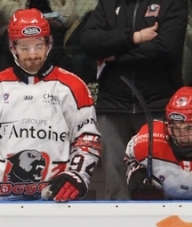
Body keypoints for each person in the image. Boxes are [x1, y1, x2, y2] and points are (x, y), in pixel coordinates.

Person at [0, 8, 101, 202]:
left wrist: (77, 175)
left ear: (49, 44)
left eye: (38, 46)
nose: (32, 54)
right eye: (25, 48)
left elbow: (87, 140)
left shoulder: (74, 87)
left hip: (56, 198)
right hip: (0, 200)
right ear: (13, 47)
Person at [80, 0, 187, 200]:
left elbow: (166, 48)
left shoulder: (173, 3)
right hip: (112, 108)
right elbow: (88, 42)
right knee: (116, 189)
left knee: (162, 184)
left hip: (157, 106)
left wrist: (115, 57)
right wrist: (134, 37)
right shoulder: (108, 4)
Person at [123, 86, 192, 200]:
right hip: (163, 211)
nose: (182, 136)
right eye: (176, 128)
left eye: (189, 128)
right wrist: (137, 177)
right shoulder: (149, 138)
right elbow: (130, 158)